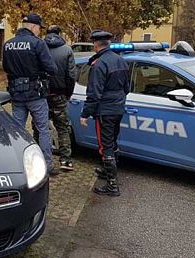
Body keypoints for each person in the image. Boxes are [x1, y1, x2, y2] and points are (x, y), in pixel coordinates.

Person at [3, 13, 58, 174]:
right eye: (39, 28)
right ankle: (47, 165)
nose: (39, 32)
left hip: (16, 94)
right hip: (36, 94)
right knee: (43, 130)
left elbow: (6, 67)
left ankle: (18, 164)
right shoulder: (37, 44)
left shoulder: (8, 44)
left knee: (18, 131)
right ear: (33, 26)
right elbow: (52, 69)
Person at [80, 30, 130, 196]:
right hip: (118, 109)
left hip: (105, 112)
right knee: (113, 141)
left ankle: (112, 186)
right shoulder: (121, 61)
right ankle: (107, 172)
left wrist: (85, 114)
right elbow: (127, 89)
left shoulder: (99, 64)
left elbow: (94, 93)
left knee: (105, 146)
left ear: (95, 44)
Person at [33, 25, 77, 171]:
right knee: (63, 127)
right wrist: (68, 93)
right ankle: (66, 161)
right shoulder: (67, 50)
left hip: (41, 95)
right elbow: (71, 76)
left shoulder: (38, 47)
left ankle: (39, 159)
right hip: (60, 95)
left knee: (40, 127)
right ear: (59, 33)